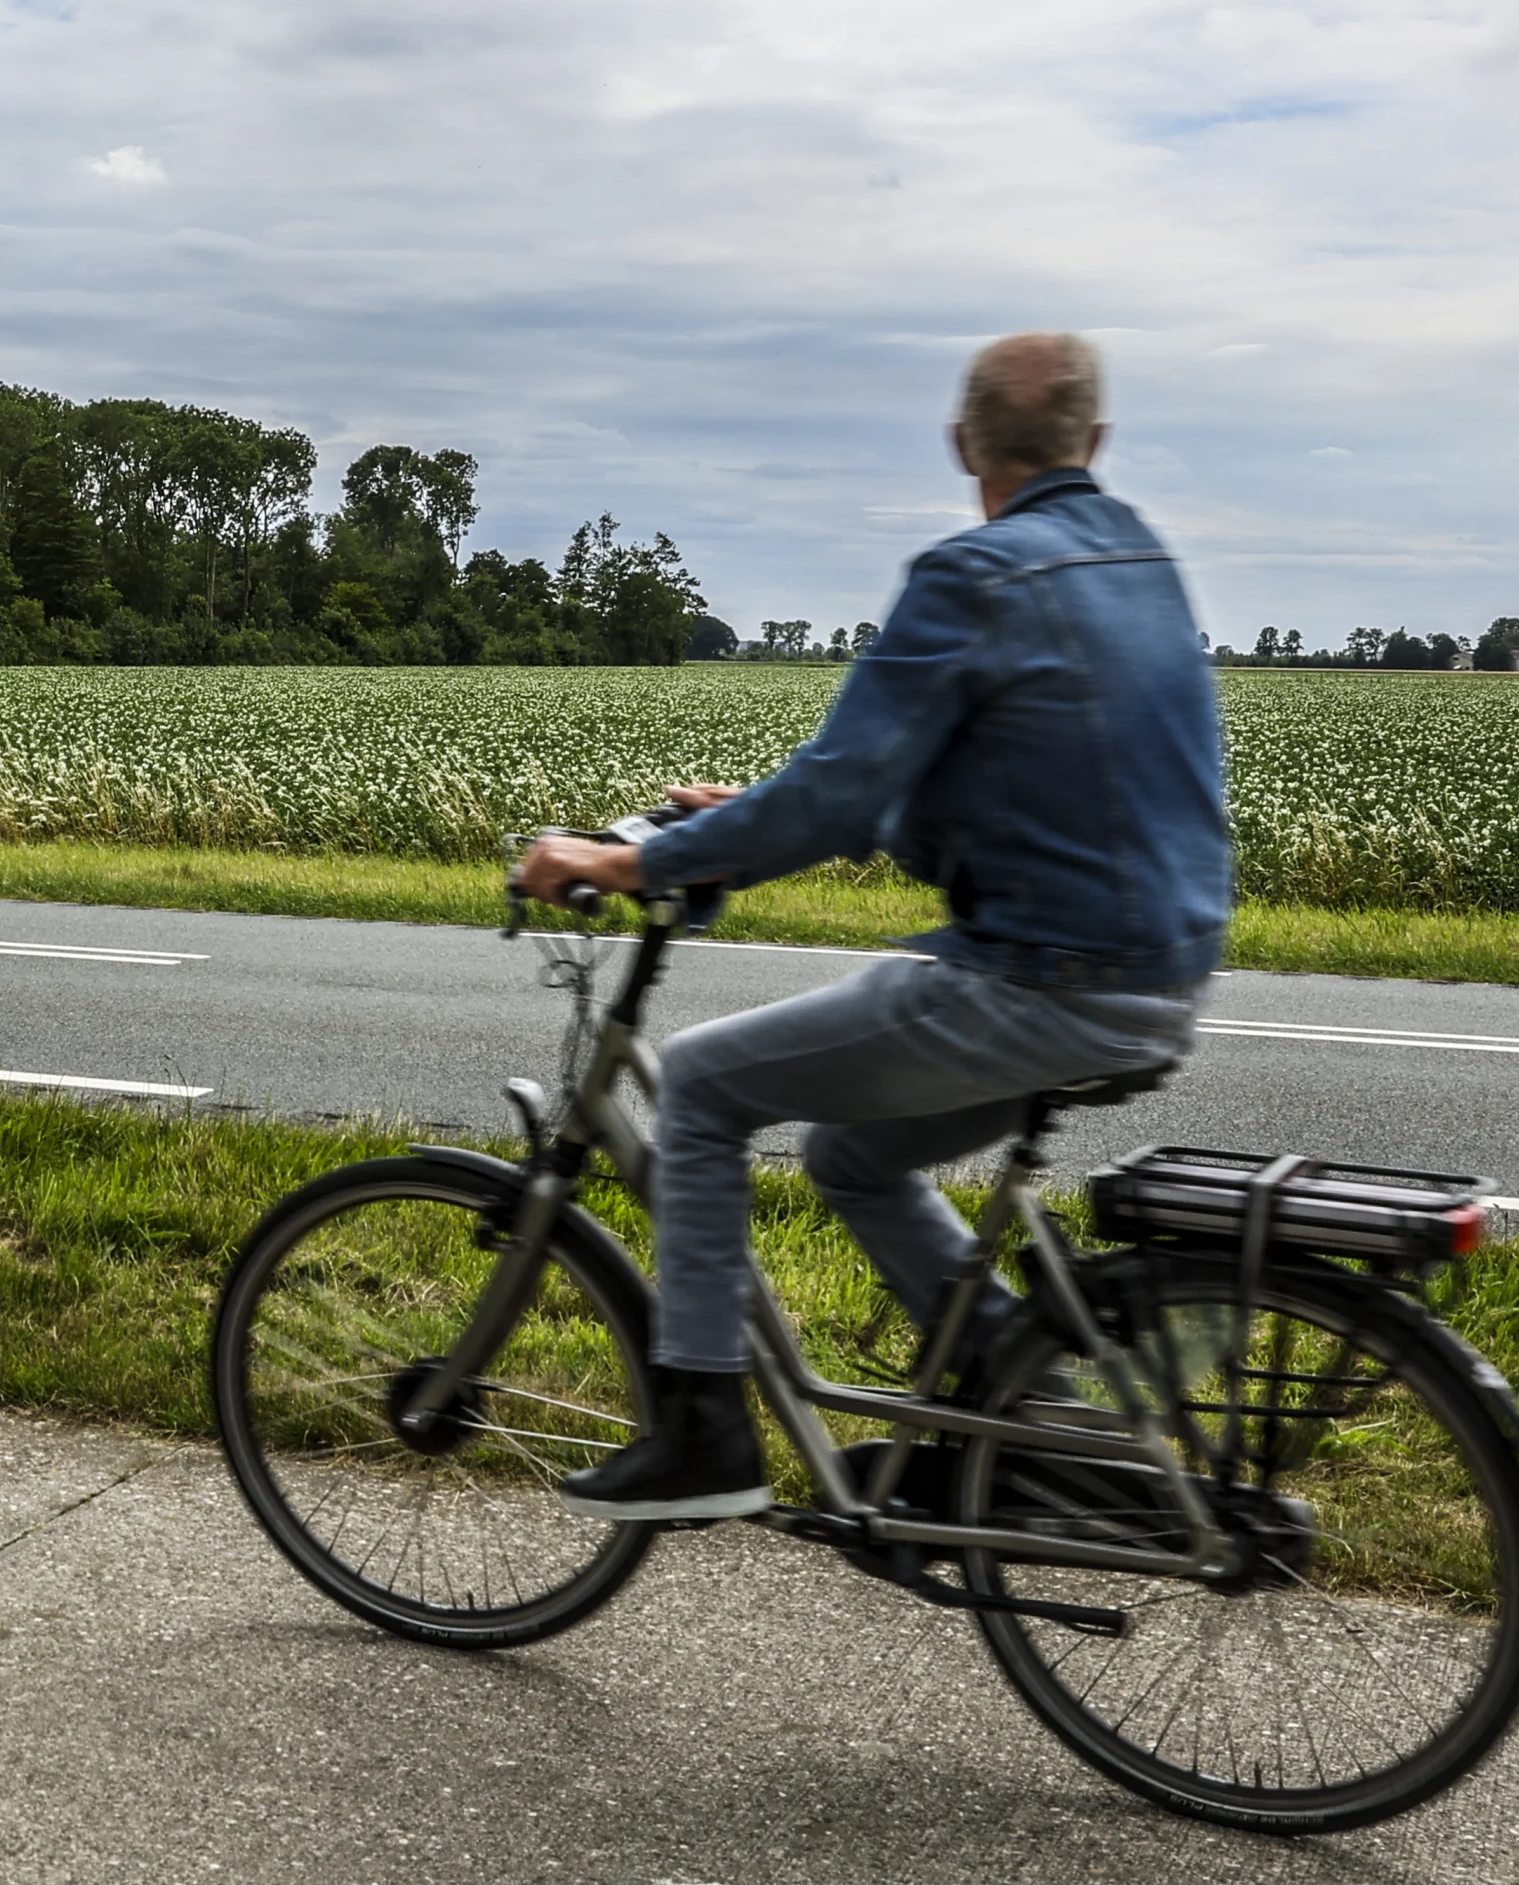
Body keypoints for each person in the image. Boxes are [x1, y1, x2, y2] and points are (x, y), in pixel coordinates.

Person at [515, 333, 1232, 1521]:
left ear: (962, 444)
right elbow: (992, 797)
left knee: (696, 1082)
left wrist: (630, 858)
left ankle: (704, 1433)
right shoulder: (1142, 559)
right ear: (1095, 444)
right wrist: (752, 817)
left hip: (1039, 980)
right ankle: (1026, 1411)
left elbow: (842, 791)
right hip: (1161, 977)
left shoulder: (977, 575)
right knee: (851, 1154)